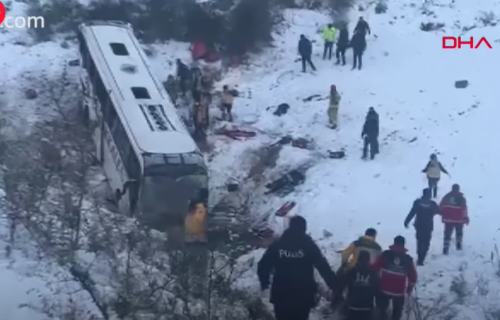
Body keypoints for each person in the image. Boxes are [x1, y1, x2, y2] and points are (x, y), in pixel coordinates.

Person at [258, 215, 337, 320]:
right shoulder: (308, 245)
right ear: (304, 228)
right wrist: (335, 286)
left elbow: (263, 265)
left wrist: (265, 284)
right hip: (303, 295)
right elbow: (322, 266)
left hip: (281, 295)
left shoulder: (278, 244)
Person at [332, 228, 382, 306]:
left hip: (354, 270)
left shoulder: (357, 243)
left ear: (365, 234)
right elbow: (379, 262)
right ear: (374, 236)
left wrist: (345, 264)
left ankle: (336, 300)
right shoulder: (378, 248)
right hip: (370, 273)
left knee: (340, 278)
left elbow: (345, 254)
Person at [372, 236, 417, 320]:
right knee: (397, 312)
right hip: (399, 291)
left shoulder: (385, 254)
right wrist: (409, 288)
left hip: (384, 288)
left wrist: (375, 282)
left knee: (381, 309)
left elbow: (374, 267)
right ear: (403, 245)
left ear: (394, 243)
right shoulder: (408, 259)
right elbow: (412, 276)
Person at [404, 188, 441, 265]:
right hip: (428, 226)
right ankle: (422, 258)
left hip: (419, 225)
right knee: (426, 242)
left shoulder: (417, 202)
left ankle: (419, 256)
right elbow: (440, 211)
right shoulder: (432, 204)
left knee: (419, 241)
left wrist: (407, 221)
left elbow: (412, 212)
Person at [344, 251, 379, 320]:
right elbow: (377, 291)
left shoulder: (351, 271)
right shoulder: (374, 274)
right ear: (369, 260)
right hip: (367, 308)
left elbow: (343, 286)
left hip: (352, 306)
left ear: (358, 259)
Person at [440, 184, 469, 254]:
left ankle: (445, 249)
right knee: (459, 233)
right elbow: (464, 209)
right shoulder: (462, 198)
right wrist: (466, 218)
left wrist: (443, 214)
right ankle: (459, 247)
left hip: (448, 219)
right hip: (459, 220)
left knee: (447, 235)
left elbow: (441, 206)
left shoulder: (446, 197)